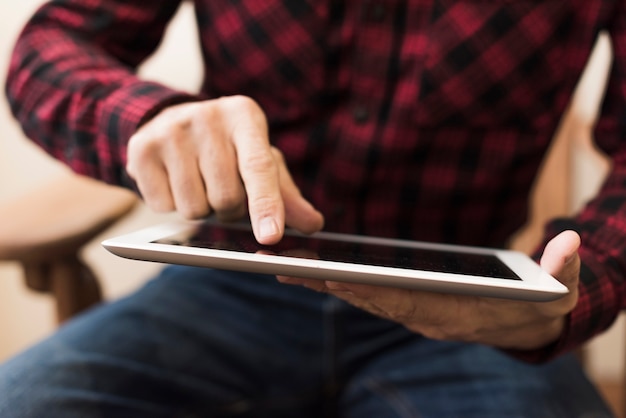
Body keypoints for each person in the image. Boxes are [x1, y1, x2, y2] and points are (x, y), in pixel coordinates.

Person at [0, 0, 623, 416]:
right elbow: (50, 46)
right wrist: (144, 119)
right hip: (229, 284)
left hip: (468, 316)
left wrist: (575, 291)